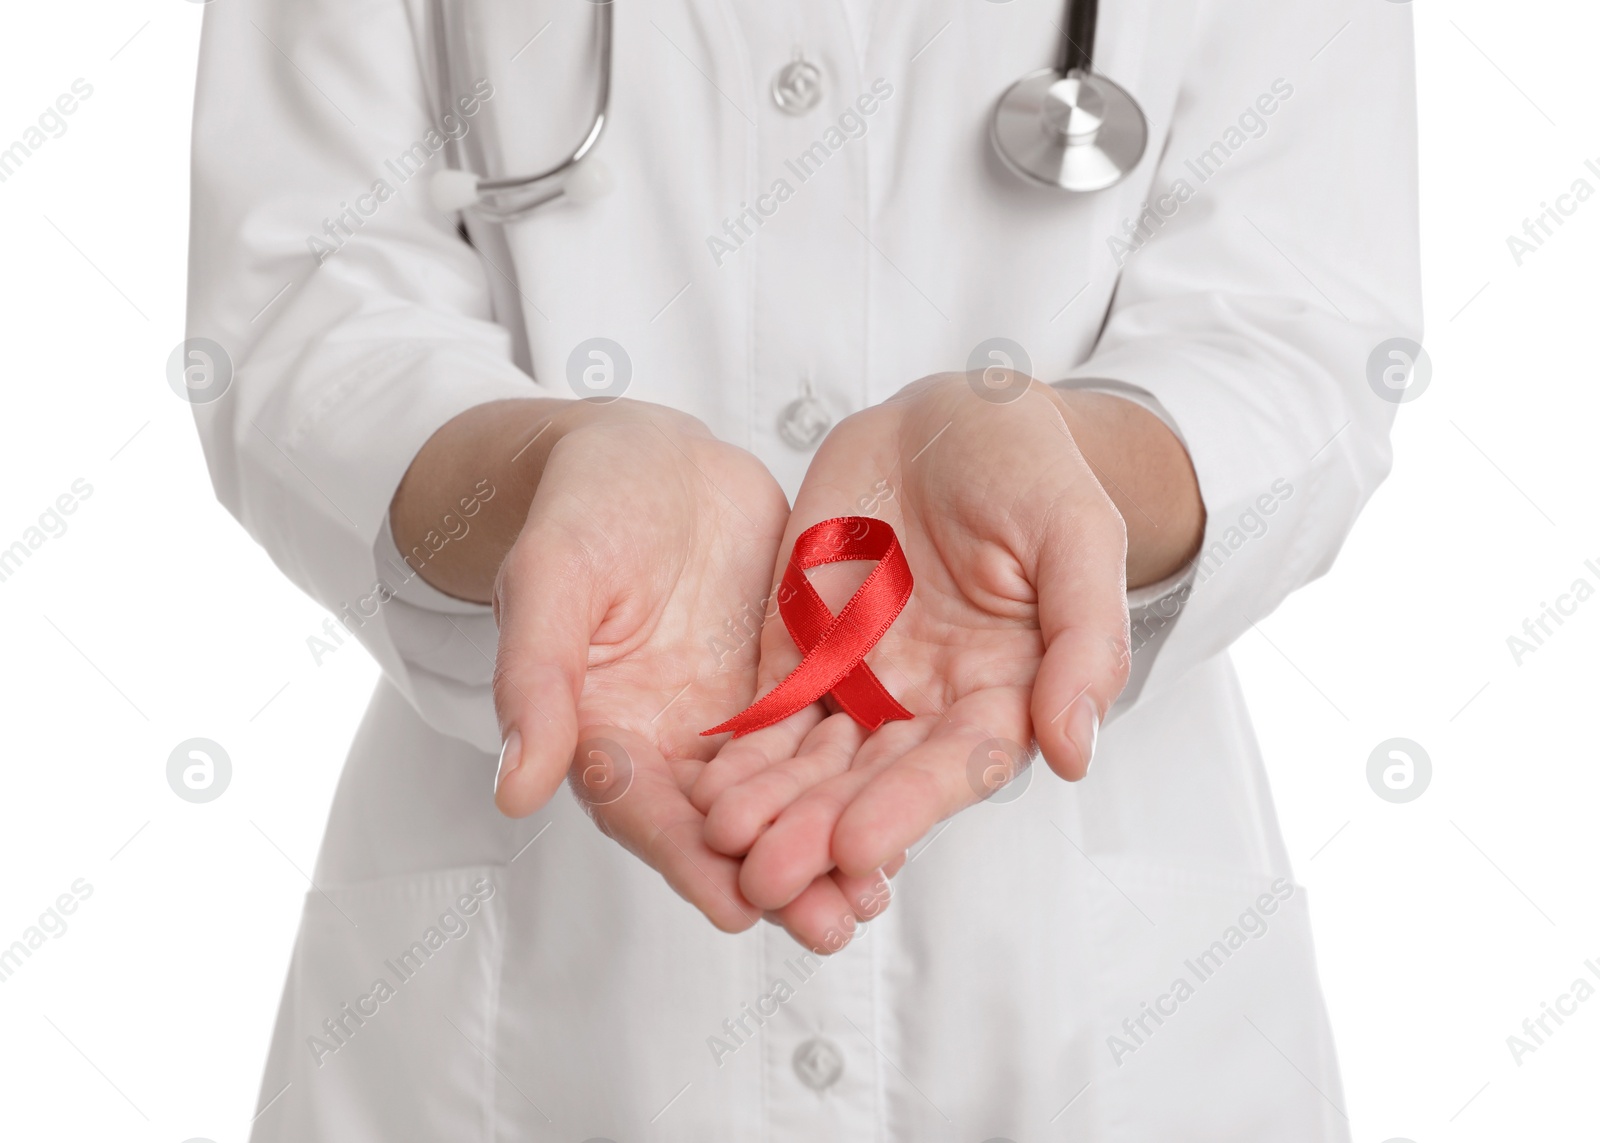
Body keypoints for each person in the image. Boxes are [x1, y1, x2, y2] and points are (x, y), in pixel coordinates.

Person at [186, 0, 1420, 1138]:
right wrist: (544, 468)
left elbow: (1300, 330)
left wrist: (1075, 469)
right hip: (531, 986)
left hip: (1099, 998)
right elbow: (303, 309)